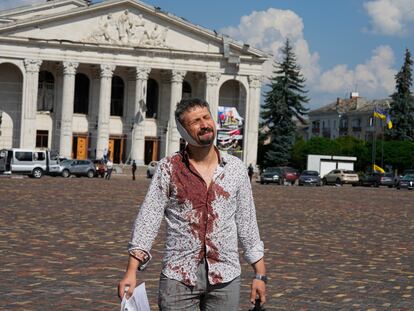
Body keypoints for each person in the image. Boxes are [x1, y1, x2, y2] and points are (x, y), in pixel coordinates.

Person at [118, 98, 266, 310]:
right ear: (183, 131)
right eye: (195, 121)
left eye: (207, 117)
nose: (204, 124)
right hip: (178, 277)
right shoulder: (169, 168)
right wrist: (131, 270)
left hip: (226, 277)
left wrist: (260, 274)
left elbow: (247, 223)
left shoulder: (235, 168)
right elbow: (148, 219)